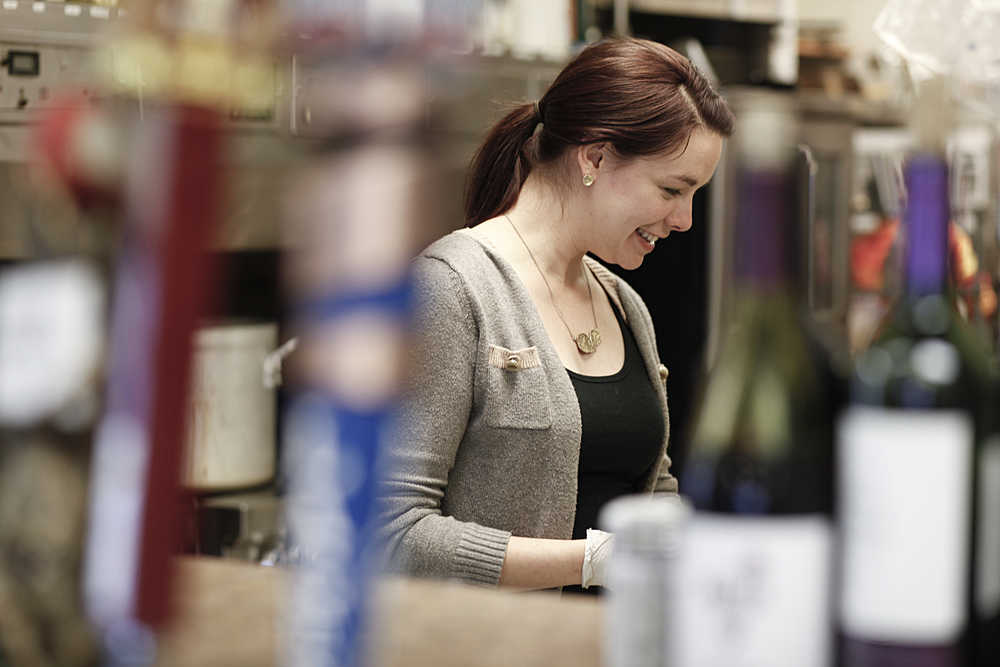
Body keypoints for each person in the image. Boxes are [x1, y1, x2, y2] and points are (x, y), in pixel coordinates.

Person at [379, 37, 734, 593]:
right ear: (594, 157)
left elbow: (654, 489)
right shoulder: (451, 289)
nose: (685, 219)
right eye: (672, 189)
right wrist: (592, 561)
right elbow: (393, 534)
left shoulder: (624, 304)